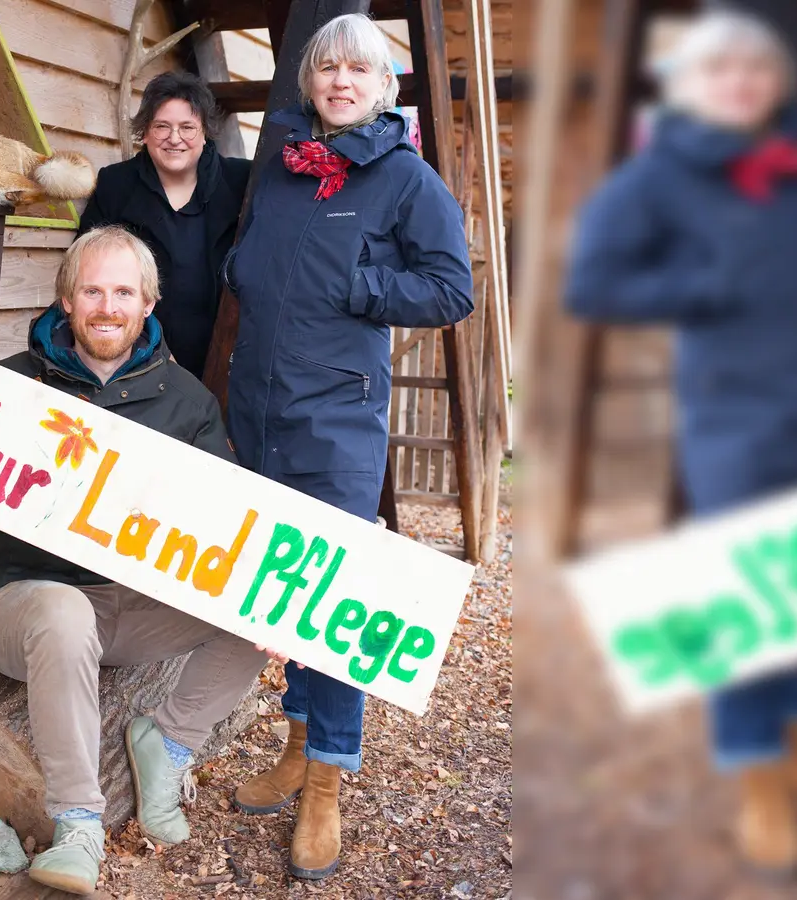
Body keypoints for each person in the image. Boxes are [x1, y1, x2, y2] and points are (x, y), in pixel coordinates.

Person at [564, 10, 797, 873]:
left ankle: (792, 738)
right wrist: (709, 282)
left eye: (757, 69)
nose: (742, 84)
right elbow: (595, 281)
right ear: (692, 85)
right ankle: (756, 770)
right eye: (723, 71)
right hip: (740, 414)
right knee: (746, 595)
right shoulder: (660, 178)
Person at [0, 226, 271, 896]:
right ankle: (80, 825)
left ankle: (169, 744)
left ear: (148, 304)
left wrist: (280, 603)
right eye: (93, 290)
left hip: (132, 605)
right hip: (26, 600)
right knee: (64, 612)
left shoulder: (187, 402)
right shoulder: (11, 383)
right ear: (67, 301)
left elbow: (227, 523)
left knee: (268, 610)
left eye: (123, 292)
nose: (108, 305)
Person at [221, 13, 473, 882]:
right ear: (308, 83)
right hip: (257, 408)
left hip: (336, 418)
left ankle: (327, 778)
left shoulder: (405, 179)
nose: (338, 80)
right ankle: (295, 745)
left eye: (356, 70)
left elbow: (451, 289)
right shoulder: (287, 167)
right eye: (325, 67)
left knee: (330, 598)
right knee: (282, 585)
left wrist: (360, 285)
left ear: (382, 85)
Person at [77, 72, 249, 380]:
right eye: (161, 127)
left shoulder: (241, 182)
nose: (174, 138)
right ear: (144, 131)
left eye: (187, 128)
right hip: (136, 355)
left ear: (205, 132)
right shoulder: (116, 184)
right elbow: (85, 265)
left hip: (225, 355)